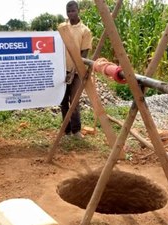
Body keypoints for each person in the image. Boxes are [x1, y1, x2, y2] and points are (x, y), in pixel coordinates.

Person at [59, 0, 93, 139]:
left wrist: (75, 69)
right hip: (62, 70)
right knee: (63, 101)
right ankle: (66, 131)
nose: (70, 13)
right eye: (68, 11)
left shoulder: (85, 30)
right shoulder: (61, 28)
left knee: (74, 101)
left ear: (78, 10)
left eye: (73, 10)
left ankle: (76, 130)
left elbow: (84, 53)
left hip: (77, 71)